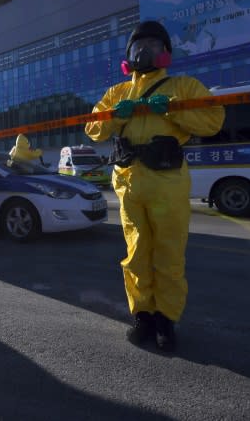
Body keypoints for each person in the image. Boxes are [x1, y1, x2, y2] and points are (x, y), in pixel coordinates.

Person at [85, 20, 225, 352]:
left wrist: (176, 112)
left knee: (169, 255)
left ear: (166, 54)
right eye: (137, 48)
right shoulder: (118, 93)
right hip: (129, 183)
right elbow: (93, 128)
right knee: (135, 255)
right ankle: (143, 315)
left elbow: (213, 120)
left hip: (167, 183)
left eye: (152, 47)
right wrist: (115, 116)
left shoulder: (185, 86)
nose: (144, 53)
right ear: (128, 57)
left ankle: (166, 320)